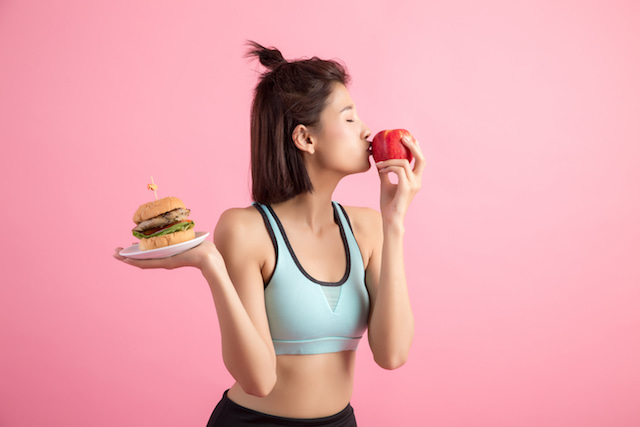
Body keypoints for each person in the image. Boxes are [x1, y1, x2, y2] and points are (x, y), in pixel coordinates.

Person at [113, 41, 425, 426]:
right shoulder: (245, 230)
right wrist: (211, 265)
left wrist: (394, 222)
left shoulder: (368, 228)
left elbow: (392, 354)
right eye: (348, 118)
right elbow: (258, 380)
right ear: (305, 139)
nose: (366, 131)